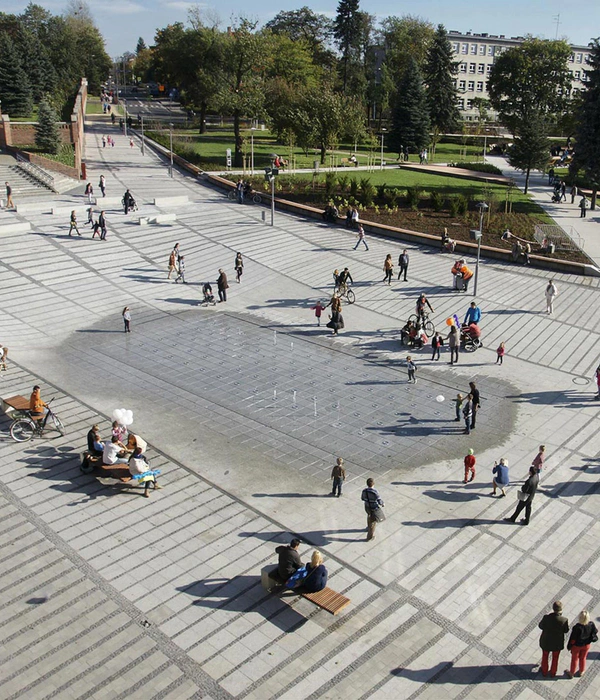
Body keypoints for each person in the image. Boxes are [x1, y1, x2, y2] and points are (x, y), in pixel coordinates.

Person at [538, 601, 569, 678]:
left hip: (546, 641)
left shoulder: (546, 617)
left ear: (553, 608)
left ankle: (544, 672)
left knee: (545, 656)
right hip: (557, 643)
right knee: (555, 658)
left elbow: (541, 626)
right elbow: (566, 630)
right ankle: (553, 673)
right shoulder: (564, 620)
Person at [565, 609, 598, 679]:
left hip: (577, 646)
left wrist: (570, 646)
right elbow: (595, 631)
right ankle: (581, 671)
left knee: (574, 659)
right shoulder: (591, 625)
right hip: (586, 645)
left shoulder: (577, 627)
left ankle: (572, 673)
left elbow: (573, 639)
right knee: (583, 658)